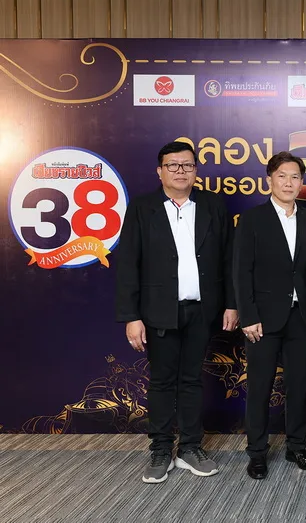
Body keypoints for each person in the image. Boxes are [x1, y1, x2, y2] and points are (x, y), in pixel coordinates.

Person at [115, 141, 238, 483]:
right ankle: (160, 450)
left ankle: (190, 448)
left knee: (192, 380)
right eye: (173, 165)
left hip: (202, 309)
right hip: (158, 311)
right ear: (160, 171)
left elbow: (229, 258)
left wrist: (232, 303)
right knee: (162, 381)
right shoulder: (142, 208)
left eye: (187, 165)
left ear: (196, 170)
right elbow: (128, 265)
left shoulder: (213, 205)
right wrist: (131, 316)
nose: (180, 171)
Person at [233, 151, 306, 480]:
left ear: (301, 182)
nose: (288, 182)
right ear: (269, 179)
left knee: (299, 386)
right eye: (282, 176)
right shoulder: (252, 219)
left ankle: (296, 446)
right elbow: (241, 271)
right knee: (259, 387)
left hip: (301, 317)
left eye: (295, 177)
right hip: (262, 319)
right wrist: (248, 316)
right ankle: (257, 452)